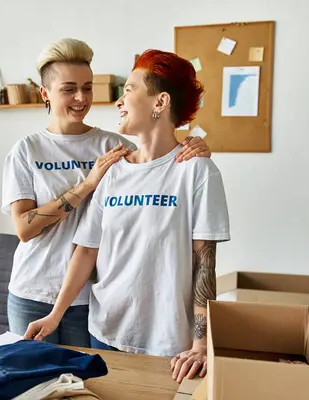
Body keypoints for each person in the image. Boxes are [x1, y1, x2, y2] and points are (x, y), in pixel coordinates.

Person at [23, 49, 230, 383]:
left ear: (160, 103)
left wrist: (201, 343)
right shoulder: (113, 169)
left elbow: (204, 263)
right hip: (104, 332)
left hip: (168, 344)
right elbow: (87, 250)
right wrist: (55, 315)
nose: (119, 101)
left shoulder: (197, 170)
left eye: (130, 89)